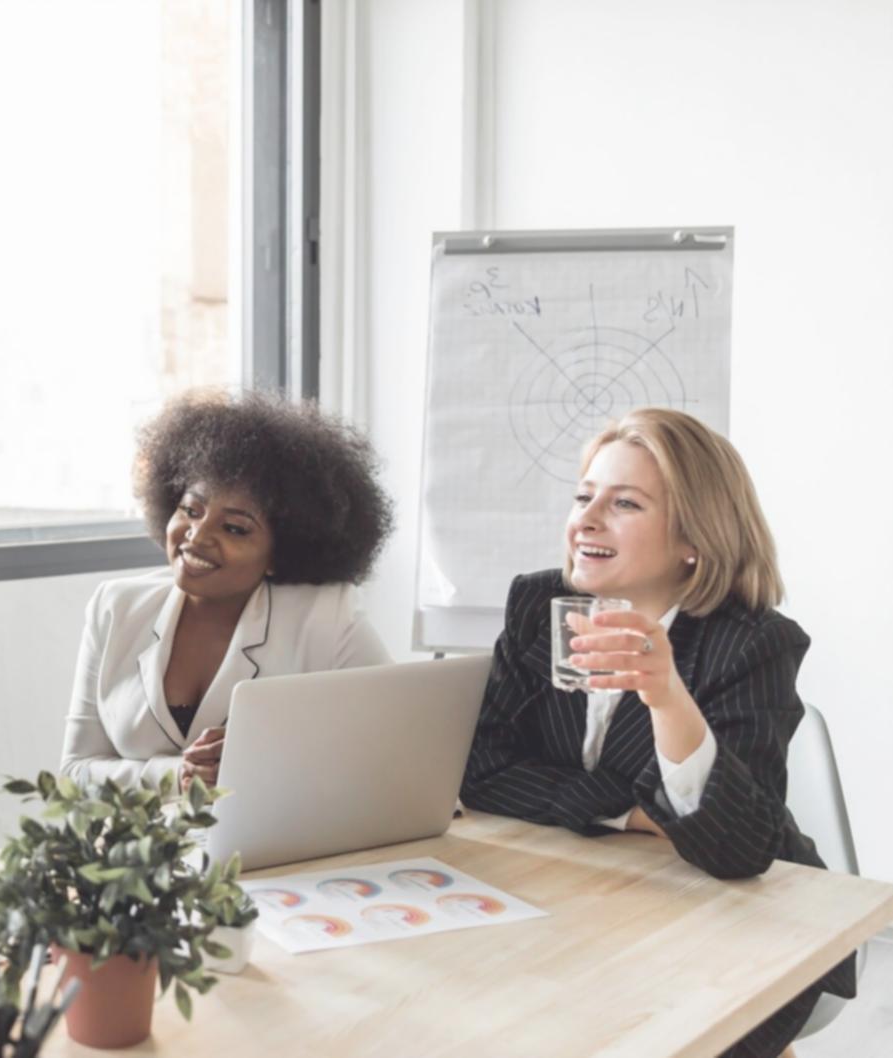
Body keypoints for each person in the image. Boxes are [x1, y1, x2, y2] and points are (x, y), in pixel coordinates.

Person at [459, 408, 853, 1058]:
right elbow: (482, 772)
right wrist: (628, 810)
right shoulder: (536, 606)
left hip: (750, 926)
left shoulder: (750, 643)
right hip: (590, 898)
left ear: (691, 539)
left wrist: (667, 697)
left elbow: (737, 849)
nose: (584, 520)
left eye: (624, 504)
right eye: (583, 496)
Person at [60, 391, 394, 790]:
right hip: (137, 850)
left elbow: (397, 745)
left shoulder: (326, 618)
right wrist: (176, 776)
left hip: (274, 845)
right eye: (190, 510)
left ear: (281, 552)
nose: (197, 537)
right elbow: (74, 772)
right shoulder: (115, 607)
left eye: (234, 528)